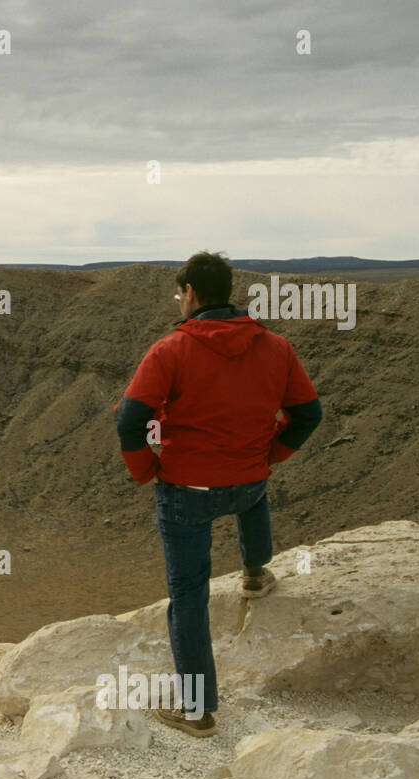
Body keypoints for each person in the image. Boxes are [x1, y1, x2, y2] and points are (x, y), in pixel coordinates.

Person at [112, 251, 322, 737]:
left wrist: (146, 470)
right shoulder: (276, 348)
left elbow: (129, 419)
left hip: (187, 490)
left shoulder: (170, 350)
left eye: (178, 294)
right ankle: (253, 572)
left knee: (189, 597)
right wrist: (271, 455)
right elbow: (308, 413)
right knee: (254, 500)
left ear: (190, 294)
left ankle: (197, 711)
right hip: (247, 482)